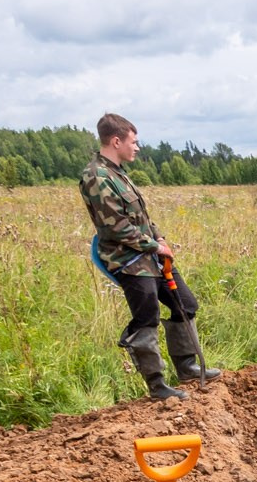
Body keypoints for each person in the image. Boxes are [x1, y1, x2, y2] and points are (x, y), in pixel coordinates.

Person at [79, 113, 223, 402]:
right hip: (128, 261)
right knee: (146, 319)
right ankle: (157, 385)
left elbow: (141, 218)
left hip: (149, 256)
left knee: (185, 304)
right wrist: (153, 246)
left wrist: (159, 238)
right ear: (116, 140)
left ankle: (186, 367)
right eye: (134, 141)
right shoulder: (97, 176)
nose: (137, 147)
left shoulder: (119, 174)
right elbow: (115, 227)